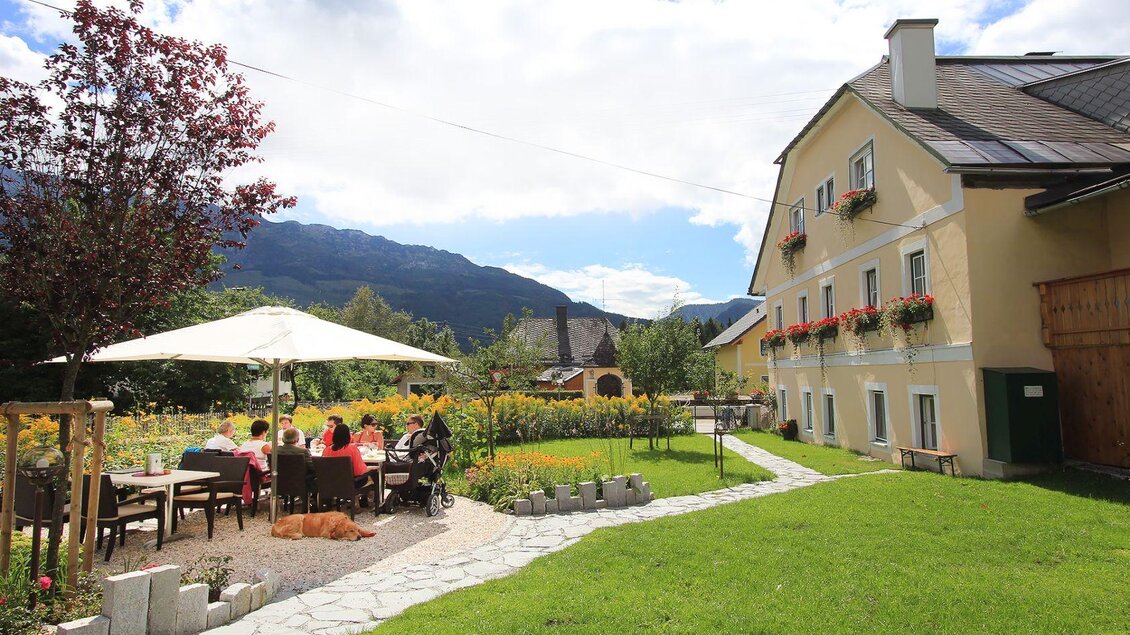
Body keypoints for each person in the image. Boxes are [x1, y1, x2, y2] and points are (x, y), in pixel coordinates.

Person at [276, 426, 316, 490]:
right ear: (297, 438)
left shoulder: (276, 451)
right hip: (301, 480)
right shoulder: (303, 451)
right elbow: (312, 467)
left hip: (281, 479)